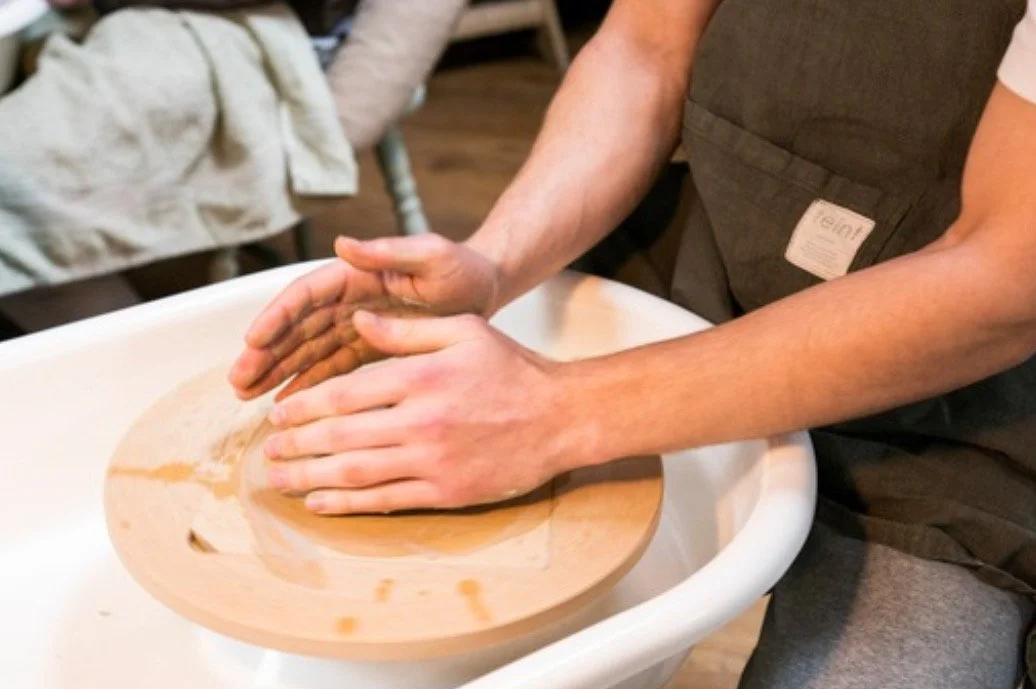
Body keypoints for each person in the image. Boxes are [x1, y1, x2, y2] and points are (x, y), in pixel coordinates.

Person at [229, 1, 1036, 686]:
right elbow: (645, 47)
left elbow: (1003, 277)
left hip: (964, 410)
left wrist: (552, 411)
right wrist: (495, 261)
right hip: (713, 259)